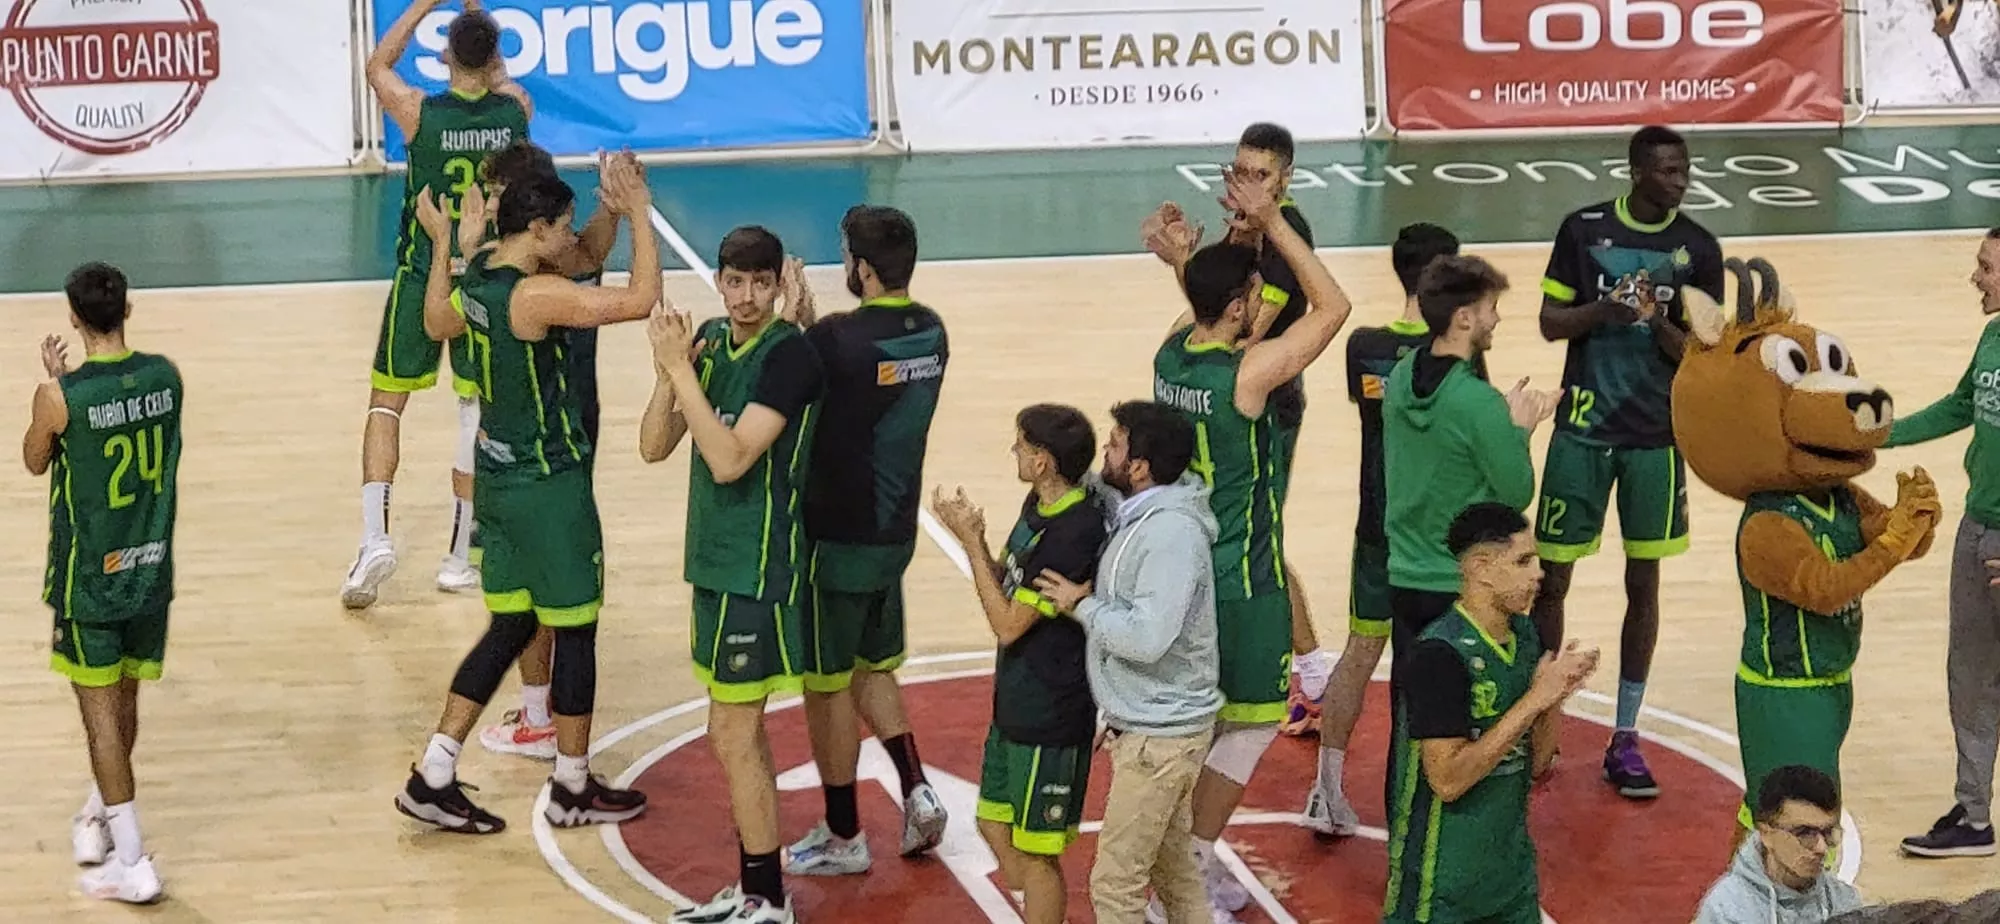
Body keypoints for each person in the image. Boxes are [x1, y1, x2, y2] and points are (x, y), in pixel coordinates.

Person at [393, 162, 657, 834]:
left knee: (510, 626)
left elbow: (433, 321)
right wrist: (643, 210)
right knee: (576, 628)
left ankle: (435, 770)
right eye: (562, 227)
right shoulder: (535, 296)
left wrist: (443, 246)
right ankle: (571, 786)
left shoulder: (480, 270)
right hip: (549, 484)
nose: (569, 238)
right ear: (535, 228)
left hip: (496, 479)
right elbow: (638, 300)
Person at [1148, 162, 1353, 922]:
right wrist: (1271, 223)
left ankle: (1179, 866)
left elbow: (1200, 318)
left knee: (1201, 727)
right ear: (1238, 308)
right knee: (1251, 724)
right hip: (1242, 579)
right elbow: (1333, 306)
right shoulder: (1250, 378)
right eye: (1252, 300)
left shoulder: (1172, 355)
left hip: (1186, 571)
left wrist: (1187, 268)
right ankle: (1184, 877)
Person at [1531, 124, 1725, 799]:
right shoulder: (1582, 231)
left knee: (1644, 586)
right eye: (1667, 170)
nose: (1680, 180)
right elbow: (1550, 324)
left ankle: (1625, 735)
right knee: (1548, 582)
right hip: (1580, 435)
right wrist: (1605, 311)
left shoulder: (1699, 248)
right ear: (1636, 172)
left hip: (1654, 438)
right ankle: (1538, 720)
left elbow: (1705, 354)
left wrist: (1654, 322)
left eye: (1684, 169)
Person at [640, 228, 824, 924]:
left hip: (759, 568)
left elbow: (731, 459)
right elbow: (655, 446)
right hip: (712, 564)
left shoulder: (790, 356)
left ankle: (767, 899)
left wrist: (680, 375)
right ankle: (759, 890)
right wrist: (668, 376)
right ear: (719, 280)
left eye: (760, 283)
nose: (746, 297)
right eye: (735, 281)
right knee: (735, 734)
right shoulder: (711, 343)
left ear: (780, 285)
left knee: (734, 733)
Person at [1141, 122, 1334, 737]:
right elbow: (1212, 312)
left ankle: (1310, 672)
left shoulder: (1284, 237)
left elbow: (1242, 332)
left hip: (1263, 400)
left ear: (1286, 179)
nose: (1245, 186)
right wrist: (1186, 263)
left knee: (1258, 541)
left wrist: (1190, 270)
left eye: (1260, 176)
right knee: (1238, 535)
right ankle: (1306, 668)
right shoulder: (1243, 227)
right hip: (1230, 397)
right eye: (1240, 171)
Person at [347, 0, 533, 607]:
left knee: (387, 405)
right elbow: (500, 80)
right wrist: (479, 27)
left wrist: (425, 4)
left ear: (447, 54)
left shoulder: (417, 112)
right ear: (495, 55)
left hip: (421, 270)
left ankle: (375, 538)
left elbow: (377, 63)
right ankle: (458, 557)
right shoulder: (515, 112)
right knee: (472, 413)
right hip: (482, 278)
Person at [785, 205, 953, 874]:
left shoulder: (834, 341)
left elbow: (805, 383)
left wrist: (798, 325)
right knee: (870, 668)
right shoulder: (933, 332)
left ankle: (844, 833)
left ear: (860, 267)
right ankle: (917, 790)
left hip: (836, 540)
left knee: (826, 687)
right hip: (893, 534)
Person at [1302, 222, 1482, 837]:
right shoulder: (1462, 353)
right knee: (1431, 663)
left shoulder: (1364, 346)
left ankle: (1325, 790)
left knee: (1360, 650)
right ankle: (1421, 795)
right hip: (1434, 538)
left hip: (1375, 523)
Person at [456, 143, 629, 763]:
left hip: (533, 431)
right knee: (552, 586)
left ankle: (537, 717)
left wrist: (454, 251)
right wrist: (618, 208)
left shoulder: (525, 273)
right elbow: (592, 249)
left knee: (533, 590)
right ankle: (545, 723)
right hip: (574, 417)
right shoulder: (564, 254)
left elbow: (445, 316)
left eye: (496, 192)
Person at [1029, 401, 1222, 924]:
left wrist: (1082, 604)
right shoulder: (1146, 511)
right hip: (1156, 725)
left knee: (1115, 887)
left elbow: (1148, 638)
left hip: (1160, 738)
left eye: (1114, 444)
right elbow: (1099, 489)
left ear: (1139, 467)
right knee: (1175, 874)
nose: (1104, 455)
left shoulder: (1168, 537)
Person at [30, 263, 183, 903]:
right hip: (149, 570)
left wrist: (57, 389)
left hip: (91, 580)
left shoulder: (61, 399)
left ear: (73, 316)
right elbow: (119, 419)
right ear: (128, 309)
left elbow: (36, 458)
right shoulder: (167, 377)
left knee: (100, 723)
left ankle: (132, 860)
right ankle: (97, 815)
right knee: (124, 707)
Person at [929, 404, 1107, 924]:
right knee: (993, 825)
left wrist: (967, 542)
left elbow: (1008, 622)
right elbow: (1008, 579)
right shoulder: (1039, 505)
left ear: (1044, 462)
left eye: (1022, 447)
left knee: (1037, 855)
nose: (1014, 453)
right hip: (1017, 702)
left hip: (1052, 715)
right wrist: (979, 541)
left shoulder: (1073, 531)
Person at [1384, 502, 1599, 924]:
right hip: (1439, 886)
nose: (1539, 572)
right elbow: (1447, 780)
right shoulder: (1438, 656)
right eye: (1523, 561)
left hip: (1511, 879)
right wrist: (1535, 700)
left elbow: (1538, 764)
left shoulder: (1525, 635)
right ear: (1482, 567)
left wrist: (1554, 696)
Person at [1383, 256, 1560, 678]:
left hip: (1405, 573)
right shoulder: (1478, 404)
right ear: (1464, 318)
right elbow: (1515, 494)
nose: (1496, 319)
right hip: (1458, 584)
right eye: (1490, 308)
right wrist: (1518, 428)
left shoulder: (1402, 374)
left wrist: (1498, 422)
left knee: (1412, 719)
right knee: (1462, 724)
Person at [1888, 228, 2000, 859]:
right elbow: (1960, 406)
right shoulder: (1992, 336)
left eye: (1985, 266)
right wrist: (1880, 435)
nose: (1975, 277)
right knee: (1972, 677)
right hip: (1977, 527)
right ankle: (1976, 814)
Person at [1694, 765, 1864, 923]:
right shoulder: (1727, 913)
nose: (1821, 848)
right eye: (1804, 833)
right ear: (1766, 834)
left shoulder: (1845, 903)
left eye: (1827, 832)